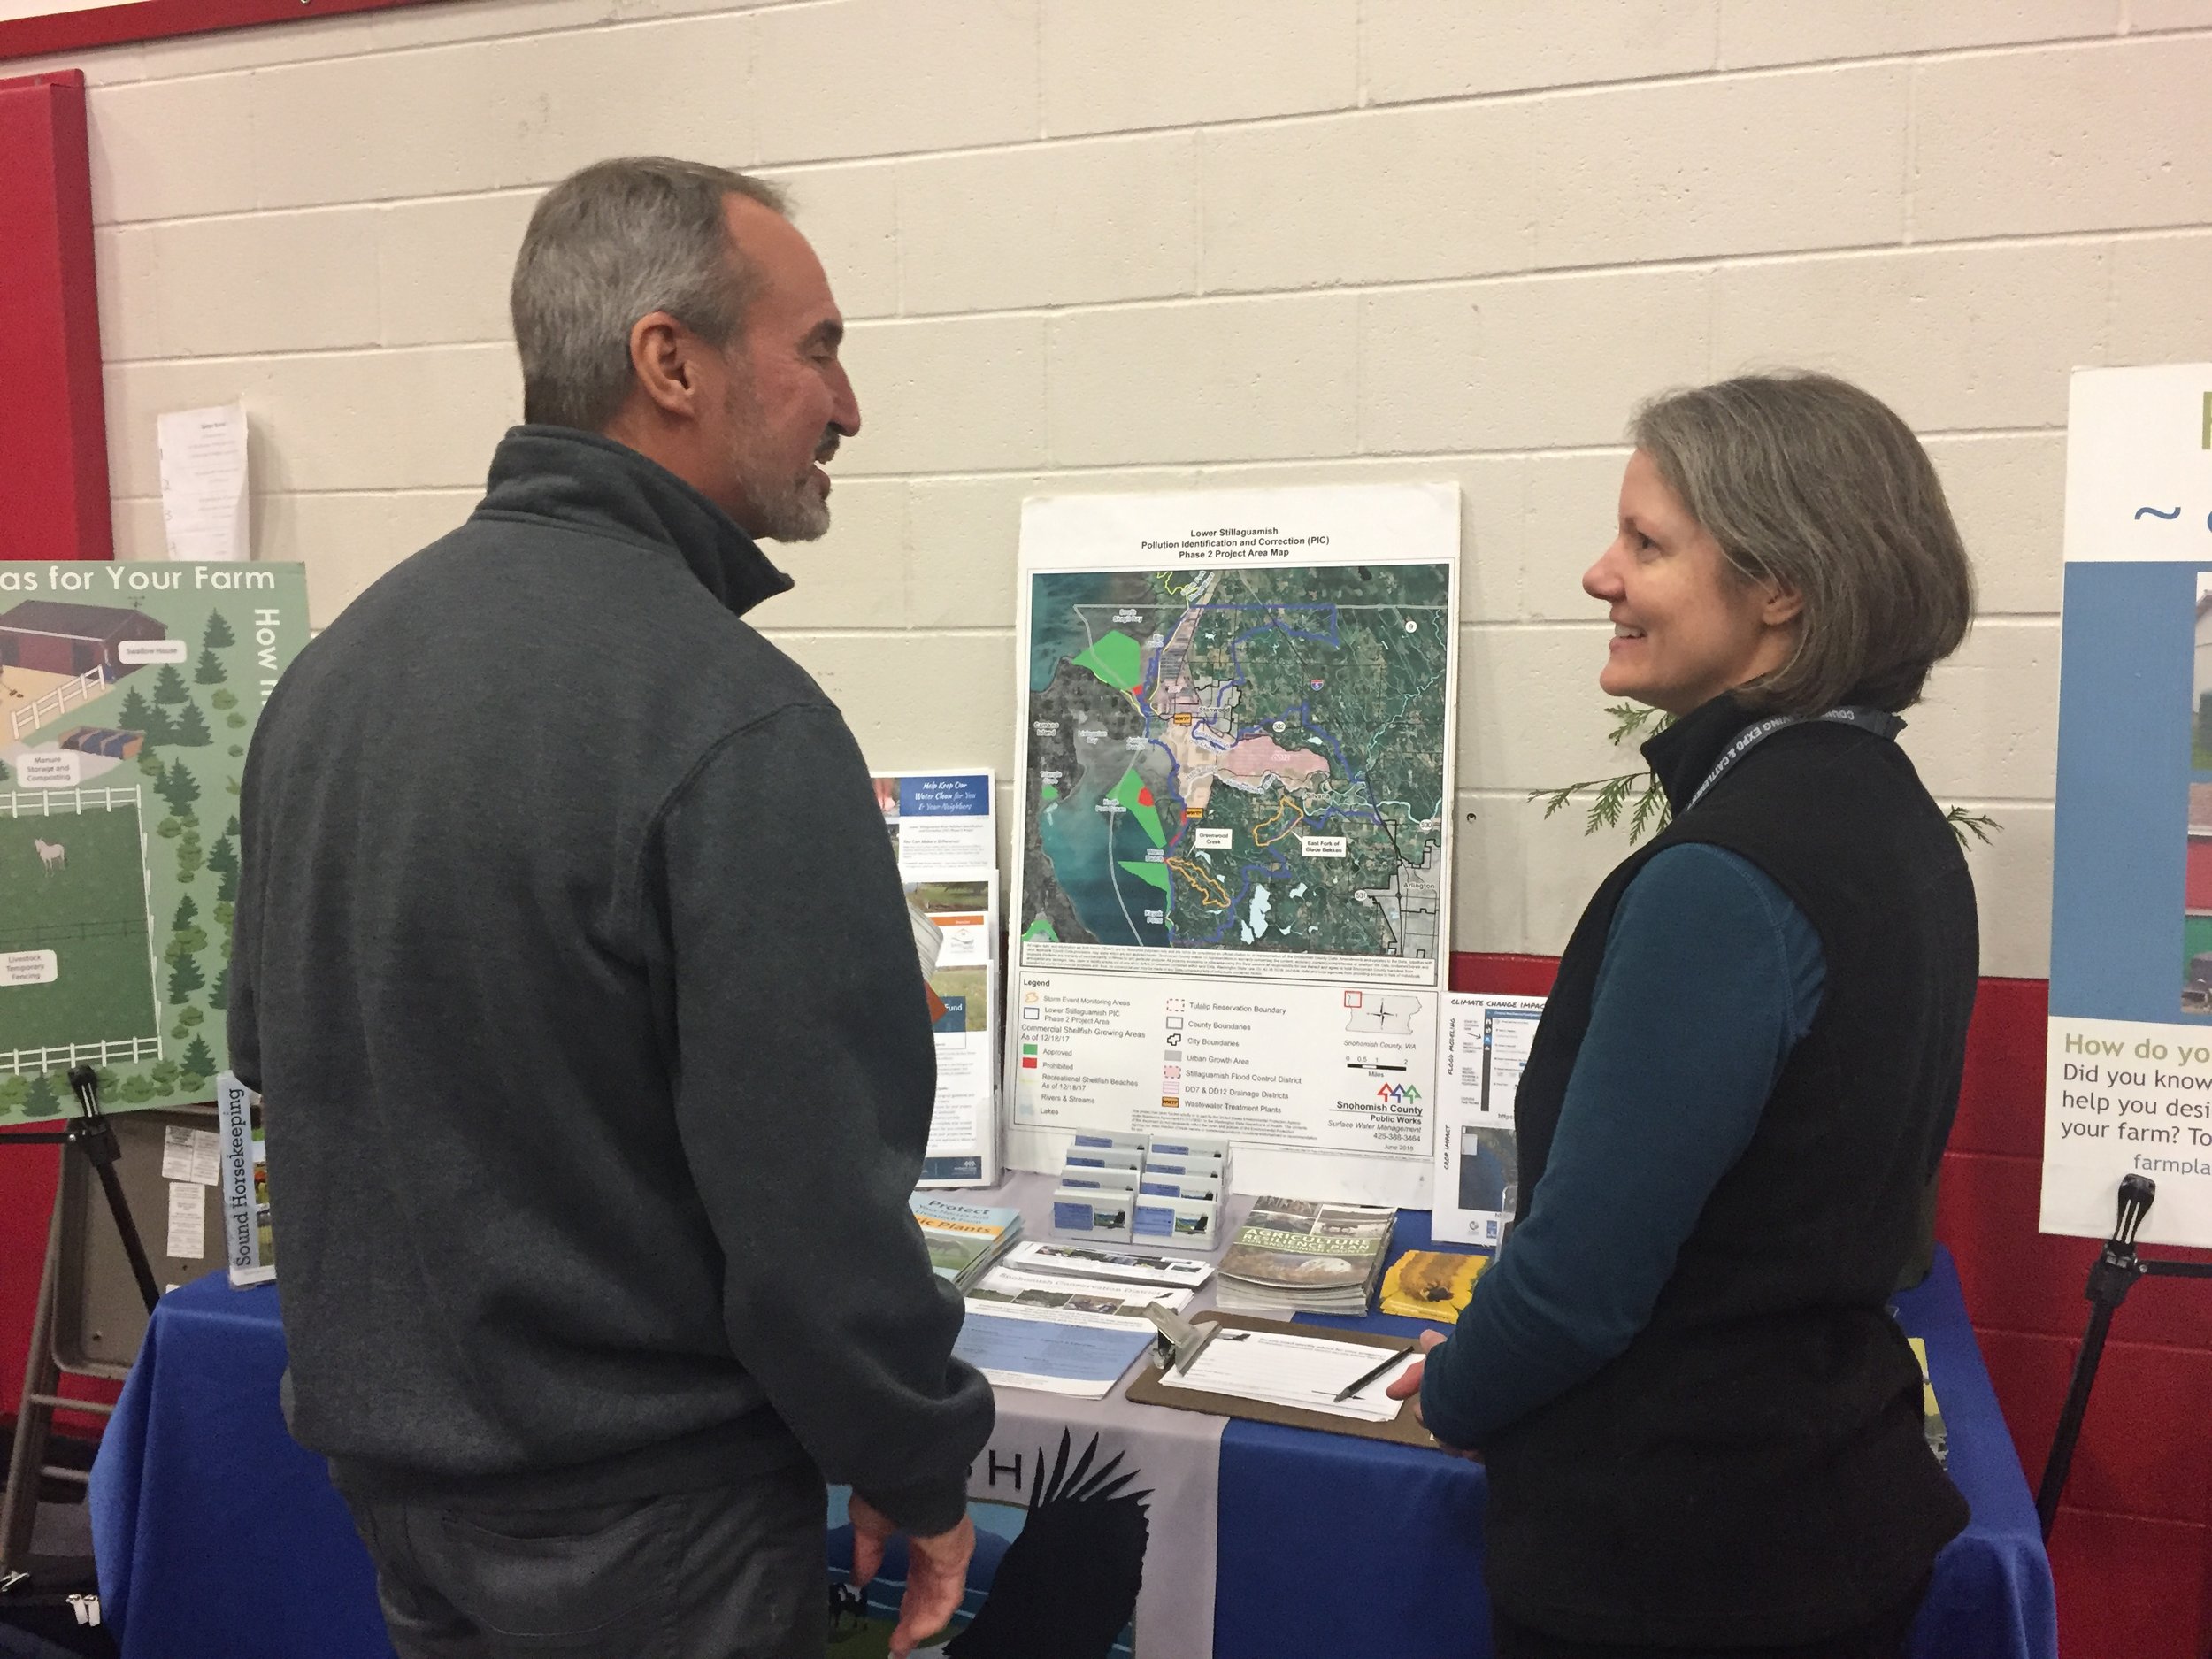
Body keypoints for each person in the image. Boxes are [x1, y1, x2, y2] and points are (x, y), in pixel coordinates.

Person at [228, 157, 992, 1659]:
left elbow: (275, 1058)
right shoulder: (732, 725)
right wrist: (913, 1454)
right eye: (822, 346)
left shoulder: (330, 683)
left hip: (401, 1500)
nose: (849, 407)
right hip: (653, 1527)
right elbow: (811, 1201)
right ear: (671, 363)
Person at [1390, 372, 1978, 1659]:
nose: (1602, 574)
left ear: (1785, 588)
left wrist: (1460, 1389)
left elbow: (1582, 1286)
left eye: (1648, 544)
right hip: (1818, 1509)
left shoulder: (1728, 875)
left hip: (1678, 1565)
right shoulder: (1890, 818)